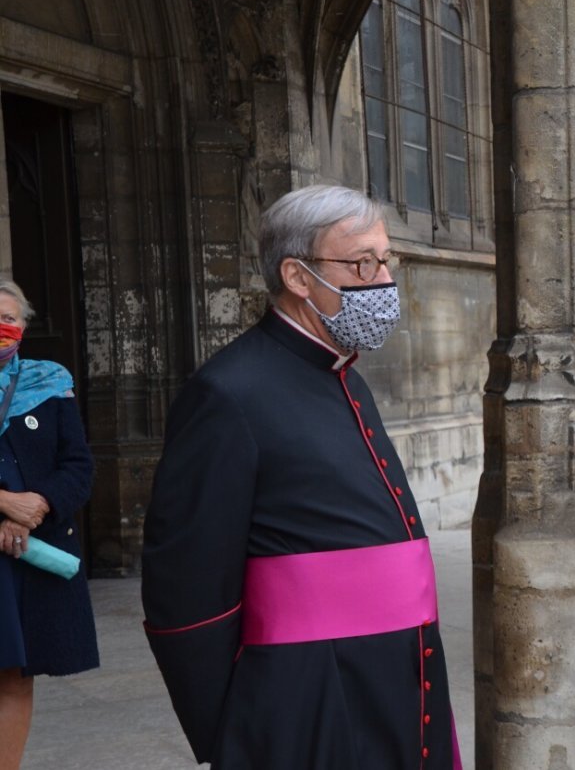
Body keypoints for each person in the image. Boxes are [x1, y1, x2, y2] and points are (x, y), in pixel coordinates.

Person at [141, 184, 460, 769]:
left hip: (395, 673)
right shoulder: (226, 393)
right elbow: (185, 590)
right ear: (297, 275)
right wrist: (236, 724)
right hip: (308, 695)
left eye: (386, 259)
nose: (382, 280)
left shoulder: (345, 374)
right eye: (362, 263)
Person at [0, 280, 97, 770]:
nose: (3, 327)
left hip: (30, 555)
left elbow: (78, 466)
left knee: (15, 676)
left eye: (10, 319)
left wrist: (38, 503)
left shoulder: (48, 382)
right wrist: (3, 507)